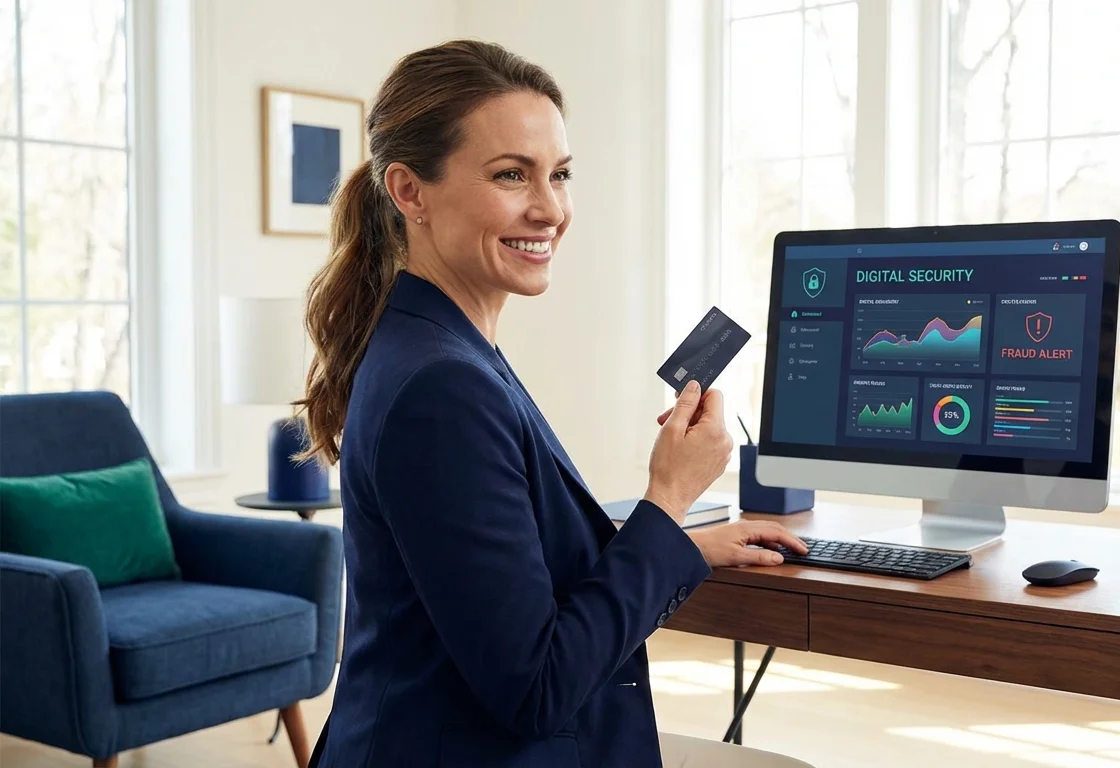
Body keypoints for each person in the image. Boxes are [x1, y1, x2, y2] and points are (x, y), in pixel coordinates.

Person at [295, 39, 816, 768]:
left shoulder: (441, 347)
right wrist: (667, 501)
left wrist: (676, 547)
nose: (550, 209)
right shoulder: (441, 387)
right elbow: (537, 686)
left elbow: (503, 579)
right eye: (512, 175)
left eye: (560, 175)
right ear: (409, 191)